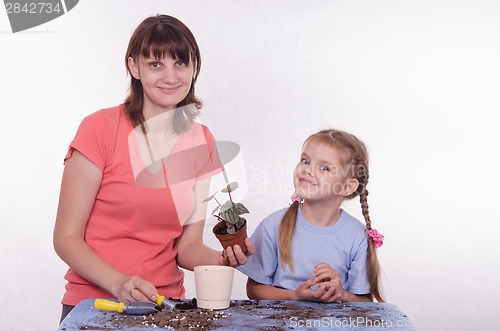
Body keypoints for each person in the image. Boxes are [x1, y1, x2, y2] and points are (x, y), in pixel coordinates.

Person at [53, 14, 255, 322]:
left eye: (181, 63)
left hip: (166, 307)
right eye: (156, 64)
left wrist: (223, 259)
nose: (171, 77)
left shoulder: (202, 140)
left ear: (193, 68)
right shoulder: (99, 129)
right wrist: (119, 283)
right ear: (134, 67)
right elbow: (66, 238)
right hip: (95, 307)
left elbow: (186, 247)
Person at [238, 129, 384, 303]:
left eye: (324, 167)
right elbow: (254, 290)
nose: (307, 170)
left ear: (347, 187)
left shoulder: (357, 236)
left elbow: (366, 303)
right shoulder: (273, 226)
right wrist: (295, 296)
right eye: (305, 161)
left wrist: (341, 294)